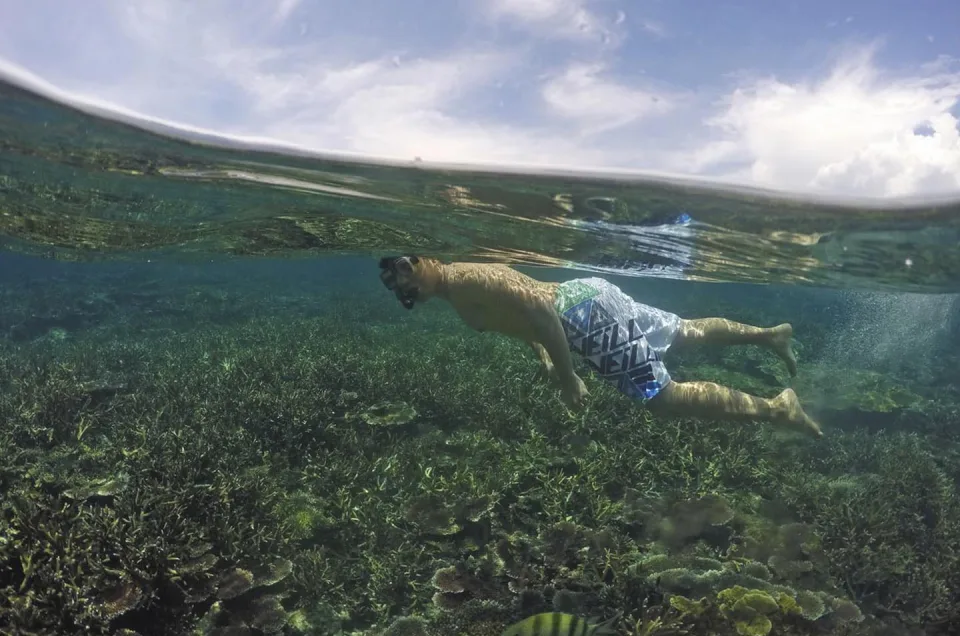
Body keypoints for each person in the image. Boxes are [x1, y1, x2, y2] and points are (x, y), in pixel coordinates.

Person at [378, 255, 822, 438]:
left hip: (580, 317)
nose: (408, 280)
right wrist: (545, 356)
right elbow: (524, 322)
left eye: (408, 267)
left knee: (661, 398)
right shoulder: (458, 293)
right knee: (684, 331)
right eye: (399, 283)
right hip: (586, 299)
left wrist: (569, 377)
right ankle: (769, 336)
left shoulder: (466, 277)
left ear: (425, 262)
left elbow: (539, 309)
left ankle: (776, 408)